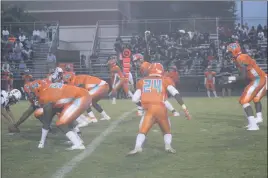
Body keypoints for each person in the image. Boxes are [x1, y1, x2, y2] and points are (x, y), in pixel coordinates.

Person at [128, 63, 191, 155]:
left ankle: (137, 147)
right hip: (161, 109)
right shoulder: (165, 80)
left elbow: (134, 99)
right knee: (167, 131)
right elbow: (175, 94)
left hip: (149, 110)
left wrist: (142, 106)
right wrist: (184, 108)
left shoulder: (142, 81)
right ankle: (168, 145)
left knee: (142, 131)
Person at [30, 80, 92, 150]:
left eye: (33, 93)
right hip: (82, 96)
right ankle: (79, 140)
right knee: (66, 120)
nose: (33, 95)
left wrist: (42, 142)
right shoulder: (49, 88)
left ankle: (78, 144)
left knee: (61, 123)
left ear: (37, 89)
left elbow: (47, 120)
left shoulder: (44, 95)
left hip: (79, 98)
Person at [227, 42, 267, 131]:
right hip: (259, 79)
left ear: (234, 51)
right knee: (253, 99)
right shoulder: (240, 57)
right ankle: (253, 122)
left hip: (258, 79)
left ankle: (253, 125)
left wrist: (232, 78)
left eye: (230, 52)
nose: (229, 54)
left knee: (244, 101)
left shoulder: (241, 58)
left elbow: (243, 76)